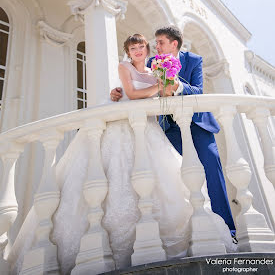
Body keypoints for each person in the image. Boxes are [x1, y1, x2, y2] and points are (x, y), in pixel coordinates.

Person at [10, 34, 235, 275]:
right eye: (133, 48)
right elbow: (132, 91)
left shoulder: (155, 70)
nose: (139, 50)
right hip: (125, 128)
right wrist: (149, 87)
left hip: (151, 129)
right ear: (128, 51)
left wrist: (165, 84)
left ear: (151, 49)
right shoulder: (126, 67)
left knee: (162, 179)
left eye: (143, 47)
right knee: (115, 173)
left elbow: (169, 95)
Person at [111, 26, 236, 238]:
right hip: (170, 128)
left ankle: (228, 229)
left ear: (173, 44)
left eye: (160, 42)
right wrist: (118, 91)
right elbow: (136, 80)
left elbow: (198, 90)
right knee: (177, 176)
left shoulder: (194, 60)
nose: (155, 47)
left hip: (198, 124)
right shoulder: (151, 63)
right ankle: (194, 228)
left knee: (212, 170)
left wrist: (176, 85)